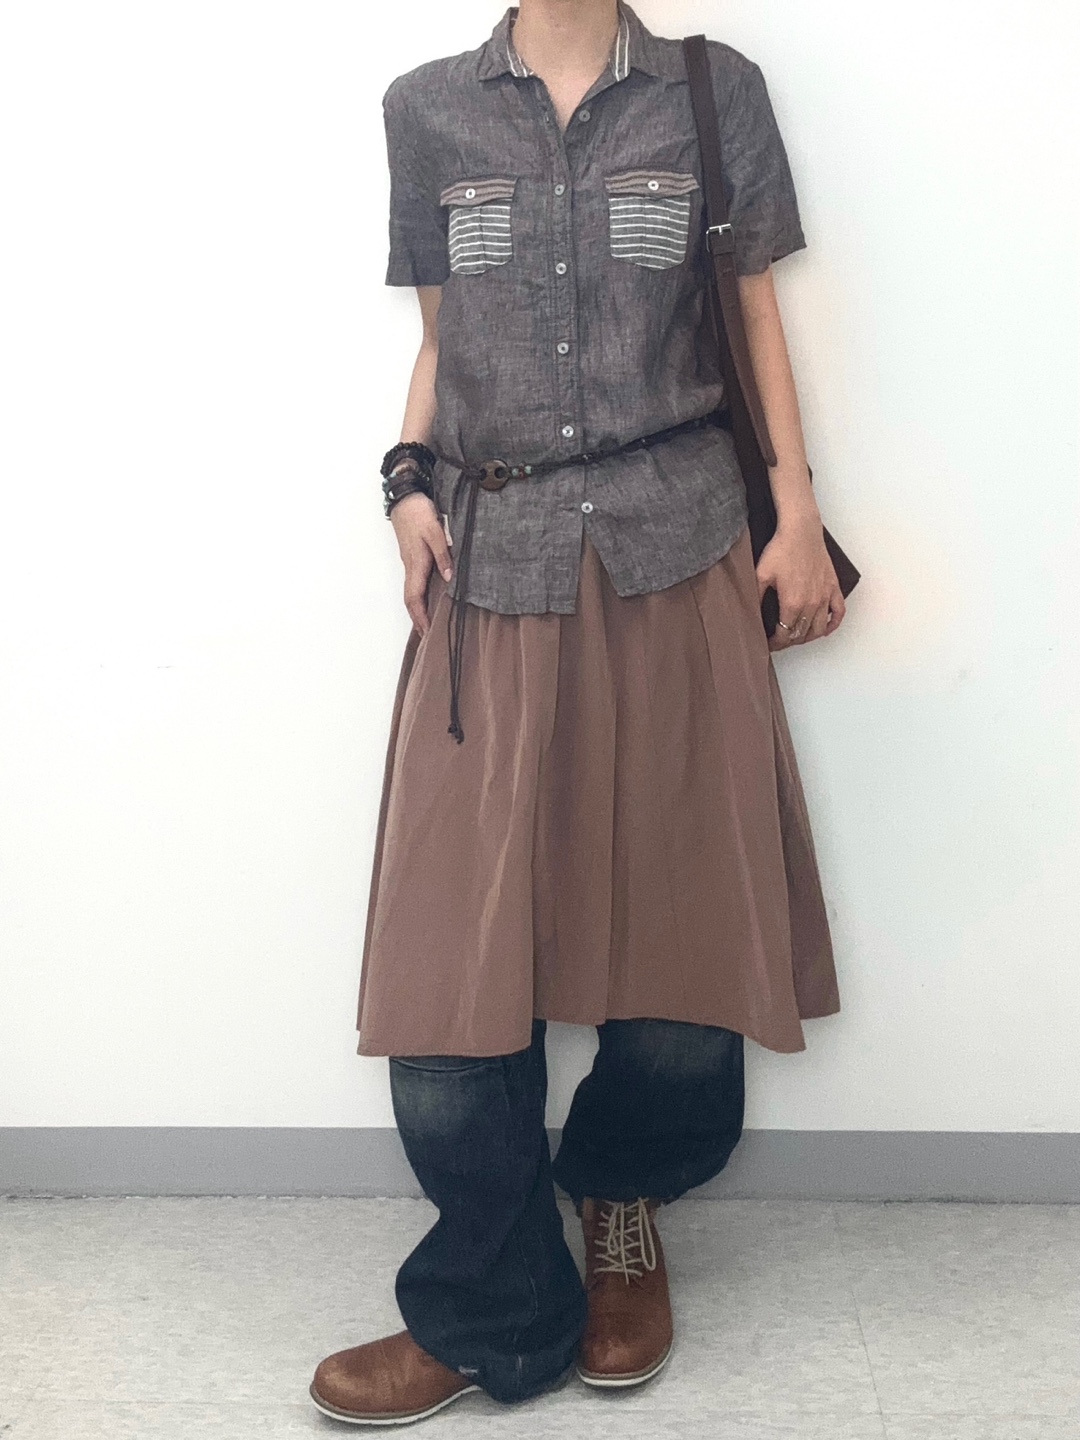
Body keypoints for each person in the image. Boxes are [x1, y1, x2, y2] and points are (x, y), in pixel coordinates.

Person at [311, 0, 845, 1425]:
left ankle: (619, 1197)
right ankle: (494, 1301)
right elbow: (441, 338)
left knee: (684, 921)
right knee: (449, 955)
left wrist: (797, 509)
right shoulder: (426, 105)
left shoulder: (711, 91)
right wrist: (404, 481)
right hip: (492, 563)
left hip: (678, 545)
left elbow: (751, 307)